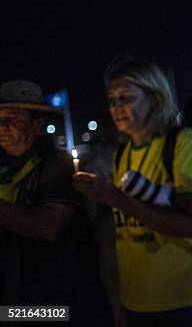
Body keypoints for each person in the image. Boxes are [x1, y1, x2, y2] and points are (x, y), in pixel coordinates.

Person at [73, 56, 192, 326]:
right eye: (112, 99)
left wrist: (113, 196)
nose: (116, 107)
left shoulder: (181, 141)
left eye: (126, 97)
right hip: (135, 300)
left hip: (181, 300)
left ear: (154, 98)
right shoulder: (122, 153)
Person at [0, 80, 109, 326]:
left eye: (13, 119)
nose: (3, 126)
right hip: (10, 297)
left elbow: (50, 226)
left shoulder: (55, 165)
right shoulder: (4, 168)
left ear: (37, 125)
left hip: (52, 301)